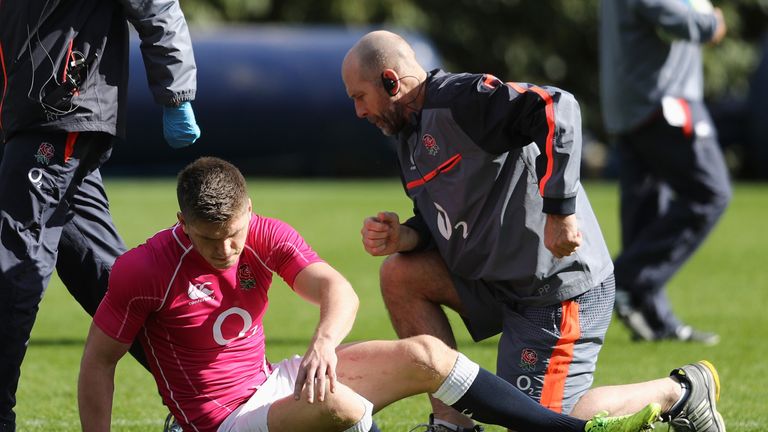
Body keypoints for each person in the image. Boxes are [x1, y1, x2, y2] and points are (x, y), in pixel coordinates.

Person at [78, 156, 663, 432]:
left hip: (270, 386)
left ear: (248, 212)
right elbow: (98, 364)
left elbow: (338, 291)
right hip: (215, 423)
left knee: (429, 358)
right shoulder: (142, 269)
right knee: (342, 408)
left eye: (232, 236)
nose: (225, 251)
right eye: (207, 241)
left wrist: (324, 343)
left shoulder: (262, 233)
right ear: (182, 223)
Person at [341, 30, 725, 432]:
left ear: (390, 80)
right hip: (499, 285)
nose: (358, 112)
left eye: (359, 97)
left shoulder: (462, 99)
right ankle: (452, 426)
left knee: (541, 425)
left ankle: (678, 392)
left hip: (557, 292)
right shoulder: (407, 138)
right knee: (401, 273)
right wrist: (406, 236)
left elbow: (557, 105)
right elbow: (444, 219)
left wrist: (560, 211)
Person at [0, 1, 200, 430]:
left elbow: (156, 5)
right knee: (107, 277)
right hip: (31, 114)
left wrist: (175, 93)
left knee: (12, 267)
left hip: (59, 108)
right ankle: (215, 395)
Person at [599, 0, 731, 344]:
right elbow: (667, 13)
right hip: (661, 102)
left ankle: (655, 319)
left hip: (632, 104)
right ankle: (622, 280)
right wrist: (710, 24)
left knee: (644, 208)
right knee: (711, 193)